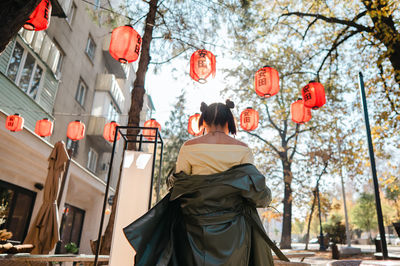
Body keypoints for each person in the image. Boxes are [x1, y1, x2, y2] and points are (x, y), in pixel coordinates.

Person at [124, 100, 288, 265]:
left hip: (192, 227)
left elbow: (178, 185)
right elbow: (255, 189)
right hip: (234, 231)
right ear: (229, 121)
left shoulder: (188, 147)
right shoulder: (243, 149)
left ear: (204, 121)